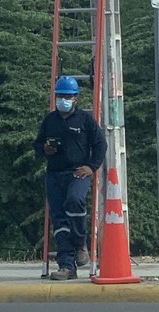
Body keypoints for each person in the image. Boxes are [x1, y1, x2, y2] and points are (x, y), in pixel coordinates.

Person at [34, 76, 107, 281]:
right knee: (59, 220)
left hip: (78, 172)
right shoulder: (50, 120)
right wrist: (45, 149)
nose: (63, 100)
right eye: (60, 96)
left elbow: (100, 144)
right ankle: (66, 266)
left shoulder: (85, 120)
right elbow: (37, 144)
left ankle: (80, 244)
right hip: (55, 174)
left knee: (75, 201)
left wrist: (91, 167)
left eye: (67, 96)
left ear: (75, 98)